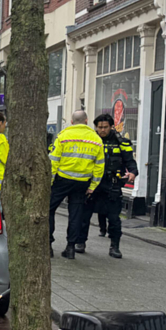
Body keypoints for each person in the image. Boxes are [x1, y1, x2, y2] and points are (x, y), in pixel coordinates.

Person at [75, 114, 137, 258]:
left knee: (114, 219)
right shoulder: (89, 141)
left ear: (111, 127)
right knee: (84, 216)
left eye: (105, 127)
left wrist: (133, 172)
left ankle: (114, 246)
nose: (102, 130)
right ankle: (80, 242)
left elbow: (130, 162)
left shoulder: (120, 142)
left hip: (112, 185)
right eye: (99, 127)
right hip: (91, 185)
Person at [48, 110, 105, 259]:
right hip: (82, 182)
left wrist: (50, 182)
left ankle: (48, 245)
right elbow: (99, 166)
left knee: (49, 209)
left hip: (62, 180)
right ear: (86, 121)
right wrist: (93, 186)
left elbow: (54, 161)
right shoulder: (96, 139)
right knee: (76, 215)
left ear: (72, 122)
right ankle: (71, 247)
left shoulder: (63, 136)